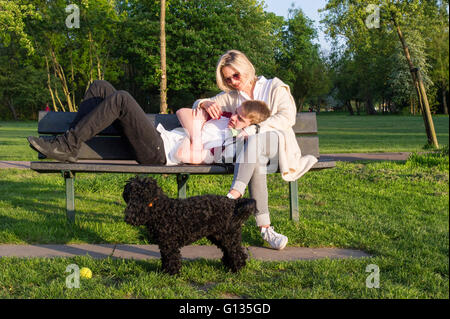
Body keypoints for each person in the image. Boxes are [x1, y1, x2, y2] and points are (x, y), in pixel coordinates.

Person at [193, 50, 318, 250]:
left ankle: (233, 196)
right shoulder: (233, 96)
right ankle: (265, 228)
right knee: (255, 155)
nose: (233, 82)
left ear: (246, 69)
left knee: (255, 141)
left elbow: (288, 117)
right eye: (227, 79)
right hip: (252, 152)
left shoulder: (274, 87)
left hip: (279, 145)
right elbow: (197, 105)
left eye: (236, 75)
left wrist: (255, 128)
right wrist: (204, 102)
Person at [162, 100, 271, 165]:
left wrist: (195, 130)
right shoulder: (224, 117)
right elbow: (183, 112)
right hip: (162, 136)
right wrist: (195, 136)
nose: (233, 117)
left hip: (162, 151)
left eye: (240, 119)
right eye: (235, 112)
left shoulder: (225, 146)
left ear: (249, 127)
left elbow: (182, 155)